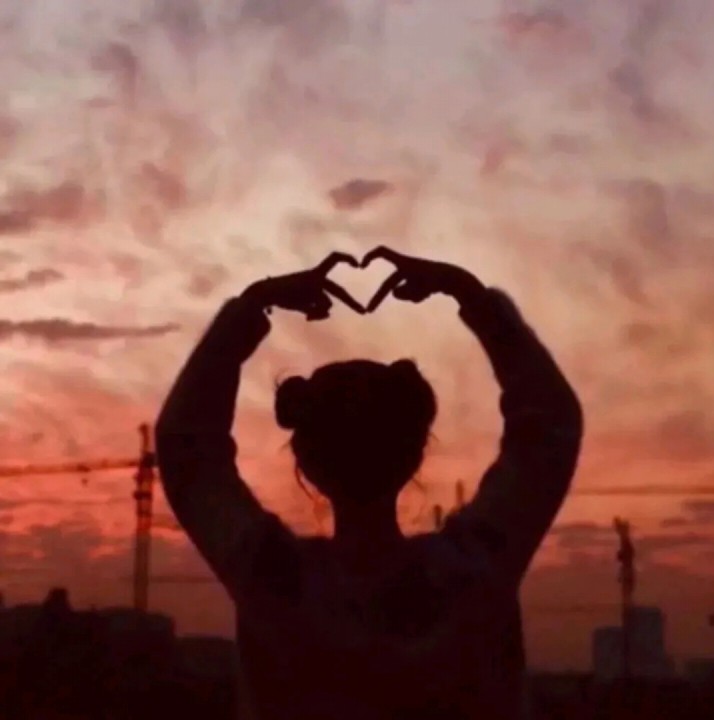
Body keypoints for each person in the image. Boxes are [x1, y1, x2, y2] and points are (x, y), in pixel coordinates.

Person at [155, 248, 583, 720]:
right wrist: (467, 294)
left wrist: (253, 305)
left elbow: (188, 450)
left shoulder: (272, 578)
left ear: (305, 462)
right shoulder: (474, 569)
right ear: (417, 451)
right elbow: (548, 427)